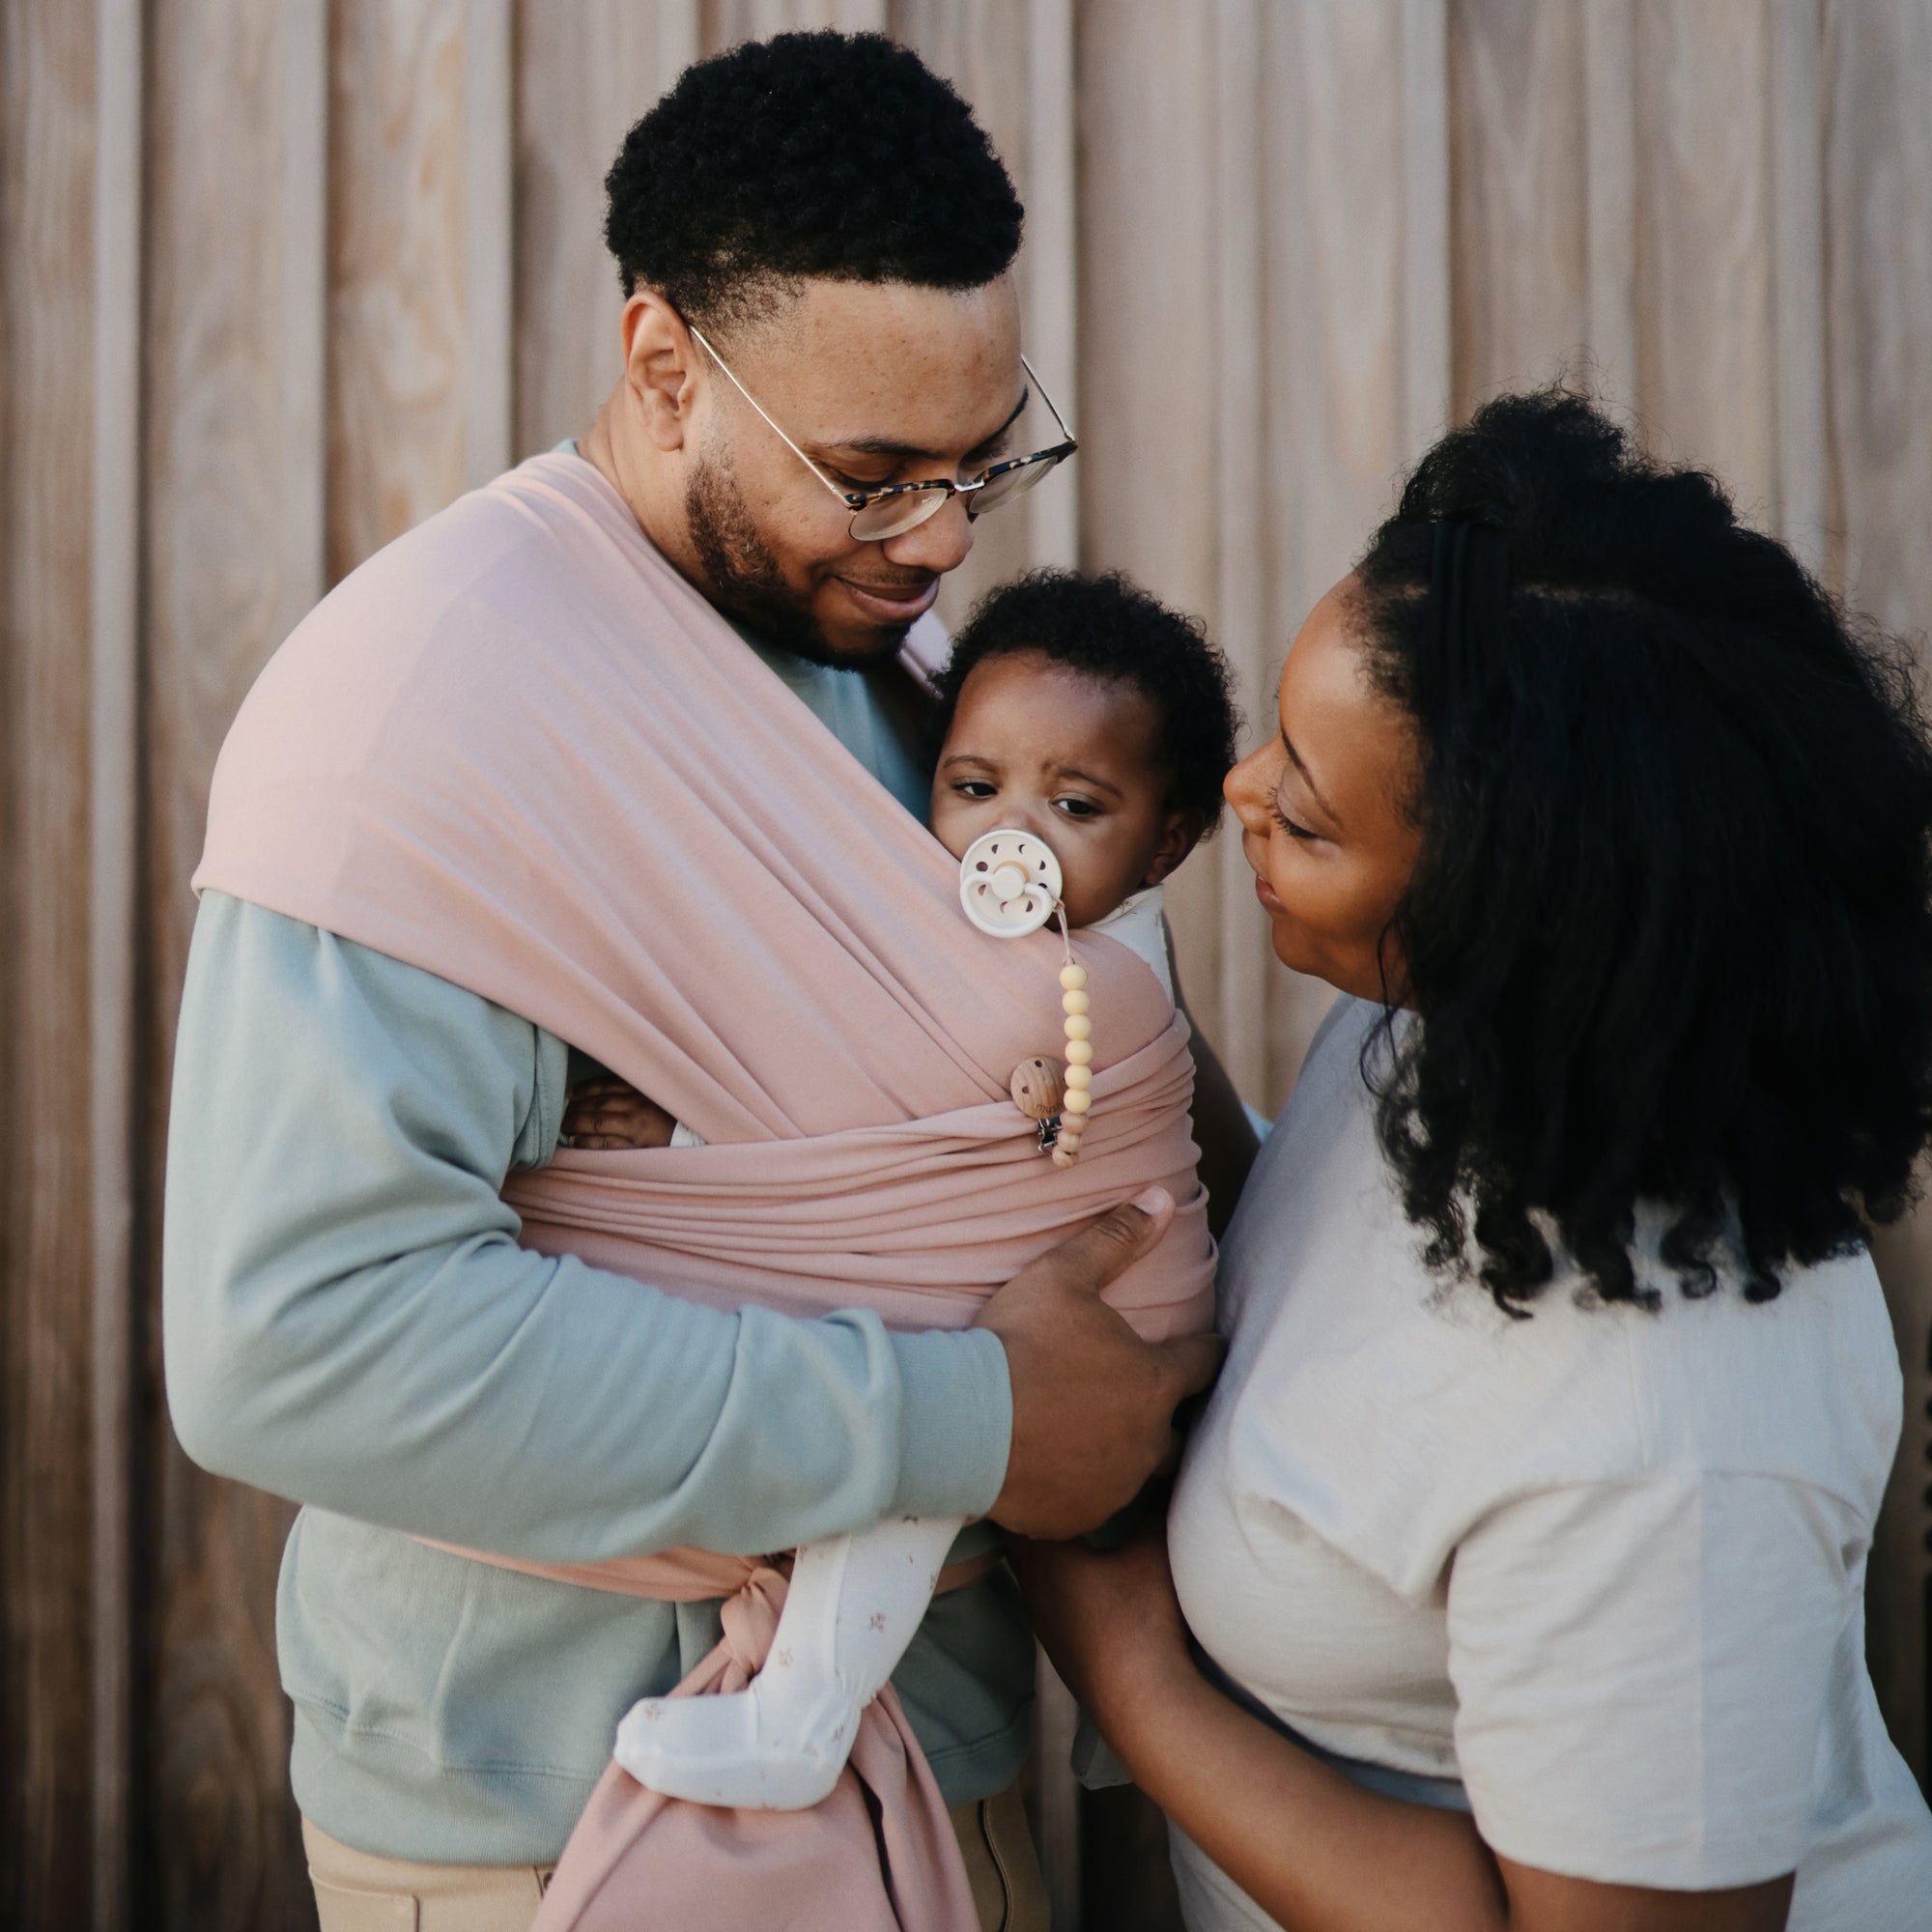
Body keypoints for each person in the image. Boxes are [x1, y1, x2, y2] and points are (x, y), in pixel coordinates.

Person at [162, 34, 1229, 1932]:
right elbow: (294, 1333)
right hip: (549, 1822)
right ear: (665, 364)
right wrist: (969, 1418)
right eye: (874, 472)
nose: (944, 538)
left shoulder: (908, 679)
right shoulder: (418, 717)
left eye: (985, 458)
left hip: (943, 1776)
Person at [1014, 388, 1932, 1931]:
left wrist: (1118, 1651)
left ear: (1512, 921)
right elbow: (1326, 1282)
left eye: (1305, 814)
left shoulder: (1668, 1425)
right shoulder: (1486, 1050)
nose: (1237, 793)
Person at [559, 569, 1245, 1809]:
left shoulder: (1083, 974)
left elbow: (854, 1102)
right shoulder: (1004, 936)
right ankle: (1117, 1722)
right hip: (1073, 1295)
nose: (1008, 838)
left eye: (1073, 803)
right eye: (973, 787)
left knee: (906, 1484)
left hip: (1113, 1315)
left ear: (1169, 838)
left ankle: (802, 1713)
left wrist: (678, 1135)